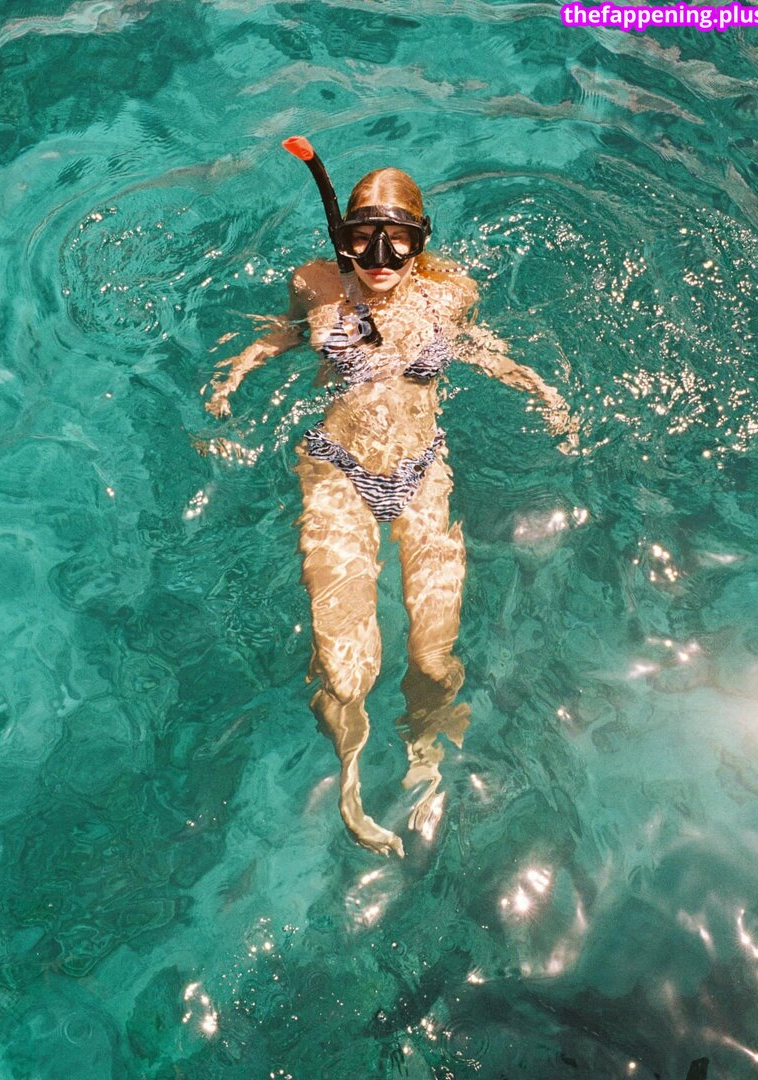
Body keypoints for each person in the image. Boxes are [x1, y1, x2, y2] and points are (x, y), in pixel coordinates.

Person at [204, 150, 574, 858]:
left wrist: (538, 387)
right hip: (337, 469)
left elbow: (478, 347)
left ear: (420, 239)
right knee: (347, 670)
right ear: (343, 236)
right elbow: (285, 332)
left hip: (422, 470)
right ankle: (349, 773)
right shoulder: (316, 283)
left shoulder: (449, 293)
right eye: (363, 239)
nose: (380, 258)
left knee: (432, 659)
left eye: (398, 240)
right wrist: (236, 372)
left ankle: (424, 747)